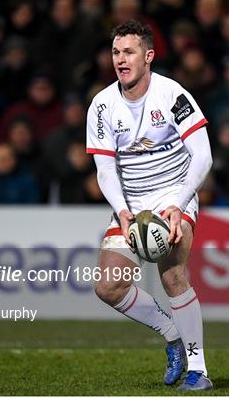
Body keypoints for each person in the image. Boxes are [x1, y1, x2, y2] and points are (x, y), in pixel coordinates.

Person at [86, 20, 213, 391]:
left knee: (172, 273)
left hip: (175, 196)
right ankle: (172, 334)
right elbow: (105, 169)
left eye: (128, 52)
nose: (120, 60)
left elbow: (203, 157)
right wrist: (123, 212)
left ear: (148, 56)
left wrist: (177, 203)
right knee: (108, 287)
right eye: (115, 52)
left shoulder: (173, 95)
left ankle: (198, 370)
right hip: (131, 204)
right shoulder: (102, 105)